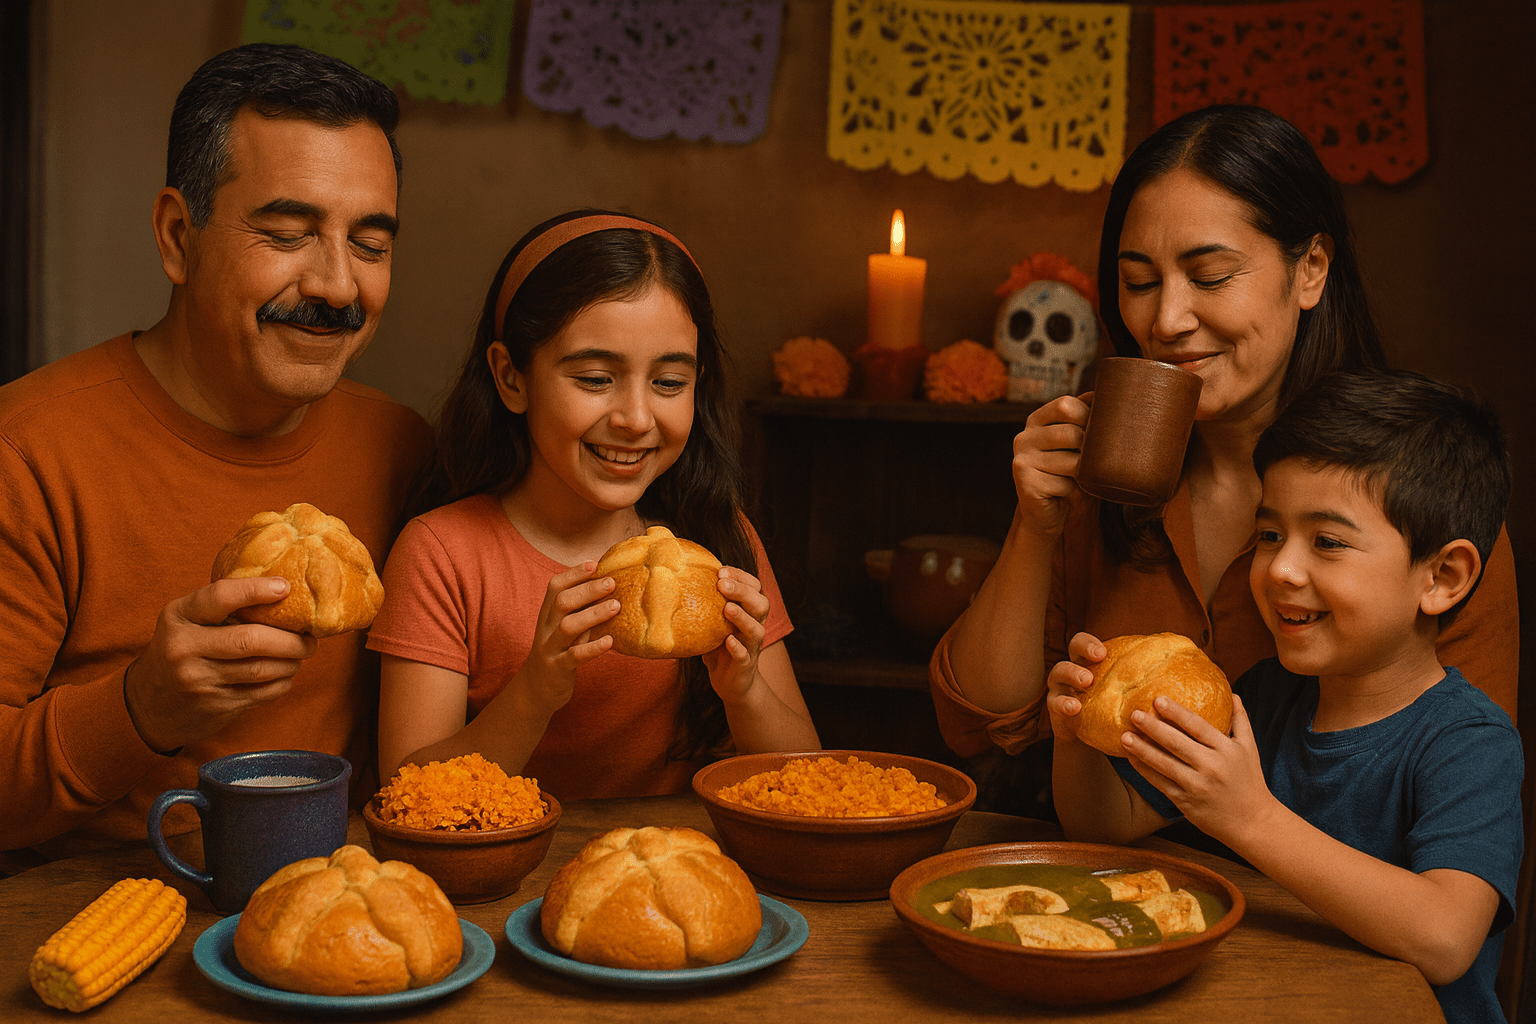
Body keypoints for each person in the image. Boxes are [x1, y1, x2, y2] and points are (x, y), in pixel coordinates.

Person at [928, 104, 1518, 771]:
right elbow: (977, 725)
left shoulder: (1426, 489)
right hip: (1111, 868)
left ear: (1311, 269)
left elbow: (1473, 786)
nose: (1167, 319)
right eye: (1138, 283)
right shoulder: (1101, 476)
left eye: (1209, 277)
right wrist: (1035, 524)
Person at [0, 43, 432, 866]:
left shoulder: (405, 450)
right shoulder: (25, 454)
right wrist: (141, 708)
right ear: (176, 235)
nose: (339, 286)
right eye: (286, 232)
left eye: (370, 245)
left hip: (344, 916)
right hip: (88, 916)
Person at [1047, 368, 1522, 1024]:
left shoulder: (1469, 742)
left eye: (1327, 542)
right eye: (1270, 536)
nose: (1280, 570)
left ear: (1443, 577)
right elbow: (1105, 824)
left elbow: (1444, 939)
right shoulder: (1264, 698)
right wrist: (1075, 734)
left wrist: (1248, 817)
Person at [369, 211, 819, 797]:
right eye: (595, 379)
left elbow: (808, 780)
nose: (634, 419)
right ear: (512, 377)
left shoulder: (719, 538)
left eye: (668, 384)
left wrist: (744, 690)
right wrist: (535, 691)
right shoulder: (443, 552)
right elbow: (404, 793)